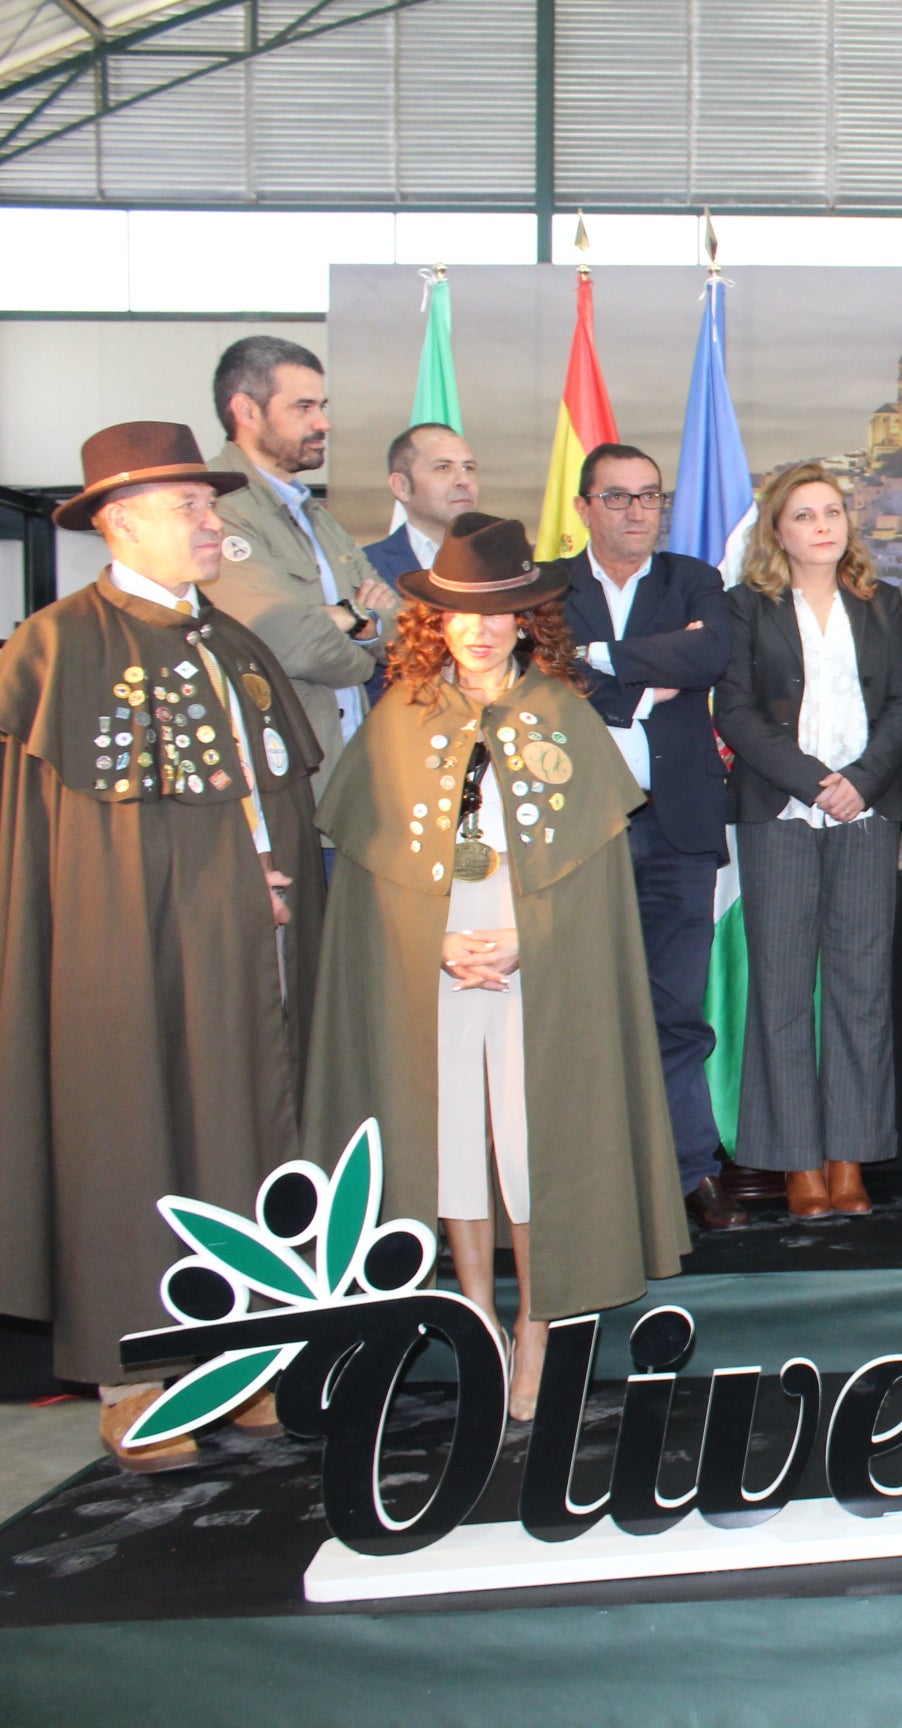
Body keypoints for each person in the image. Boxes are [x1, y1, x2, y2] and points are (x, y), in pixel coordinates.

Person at [303, 514, 689, 1421]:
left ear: (527, 619)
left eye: (498, 612)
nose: (477, 630)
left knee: (527, 1138)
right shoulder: (401, 715)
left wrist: (532, 937)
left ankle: (538, 1328)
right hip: (430, 949)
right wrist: (427, 937)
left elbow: (594, 878)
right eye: (460, 615)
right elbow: (370, 867)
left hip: (533, 949)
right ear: (435, 622)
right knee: (452, 1138)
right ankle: (473, 1313)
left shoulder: (562, 713)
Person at [0, 422, 325, 1470]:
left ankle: (239, 1364)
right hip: (124, 960)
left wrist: (270, 889)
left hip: (255, 955)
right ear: (116, 522)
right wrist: (235, 886)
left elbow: (275, 791)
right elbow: (63, 847)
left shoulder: (234, 642)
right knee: (131, 1139)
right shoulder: (56, 649)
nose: (208, 521)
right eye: (185, 506)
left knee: (245, 1135)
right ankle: (135, 1377)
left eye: (207, 502)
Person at [714, 464, 902, 1217]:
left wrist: (860, 782)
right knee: (781, 986)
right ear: (779, 531)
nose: (823, 526)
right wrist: (813, 781)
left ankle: (849, 1159)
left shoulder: (880, 600)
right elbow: (735, 711)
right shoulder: (745, 608)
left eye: (833, 512)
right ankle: (797, 1163)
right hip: (780, 814)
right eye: (805, 515)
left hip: (867, 812)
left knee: (860, 992)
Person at [547, 444, 741, 1231]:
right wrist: (647, 680)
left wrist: (597, 662)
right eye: (619, 498)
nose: (637, 512)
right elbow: (541, 671)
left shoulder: (693, 579)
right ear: (584, 507)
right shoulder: (548, 585)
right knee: (577, 1004)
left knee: (675, 1008)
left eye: (649, 497)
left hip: (680, 826)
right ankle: (583, 1173)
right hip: (579, 830)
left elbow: (712, 654)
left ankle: (690, 1168)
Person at [207, 335, 395, 790]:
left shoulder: (313, 514)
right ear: (247, 411)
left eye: (322, 406)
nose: (324, 423)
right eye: (303, 407)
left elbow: (399, 624)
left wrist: (359, 623)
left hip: (350, 772)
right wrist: (365, 645)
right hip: (285, 781)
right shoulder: (221, 510)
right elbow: (294, 643)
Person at [364, 422, 482, 586]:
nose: (464, 480)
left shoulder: (506, 561)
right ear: (401, 486)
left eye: (468, 468)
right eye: (443, 468)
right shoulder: (366, 567)